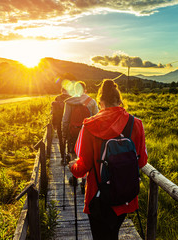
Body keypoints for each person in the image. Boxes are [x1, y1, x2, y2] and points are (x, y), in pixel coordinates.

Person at [69, 79, 148, 240]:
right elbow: (141, 162)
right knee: (113, 234)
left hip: (97, 196)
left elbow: (83, 167)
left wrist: (72, 167)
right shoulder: (136, 124)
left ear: (100, 102)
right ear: (119, 101)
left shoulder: (90, 126)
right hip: (125, 195)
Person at [62, 81, 98, 192]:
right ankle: (84, 182)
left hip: (73, 133)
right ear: (85, 90)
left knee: (73, 155)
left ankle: (74, 177)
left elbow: (65, 119)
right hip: (88, 133)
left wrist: (64, 134)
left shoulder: (69, 102)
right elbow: (96, 118)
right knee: (85, 156)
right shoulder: (91, 102)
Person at [52, 87, 71, 162]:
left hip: (59, 122)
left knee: (61, 140)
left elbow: (54, 113)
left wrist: (54, 123)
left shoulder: (57, 98)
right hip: (69, 122)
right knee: (69, 140)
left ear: (61, 90)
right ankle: (69, 156)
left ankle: (63, 157)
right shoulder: (71, 98)